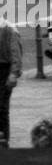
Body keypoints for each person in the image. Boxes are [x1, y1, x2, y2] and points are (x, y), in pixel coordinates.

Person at [0, 12, 22, 148]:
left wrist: (13, 74)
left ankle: (4, 140)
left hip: (4, 71)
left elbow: (16, 55)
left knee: (2, 107)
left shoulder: (10, 29)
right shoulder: (9, 29)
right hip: (4, 69)